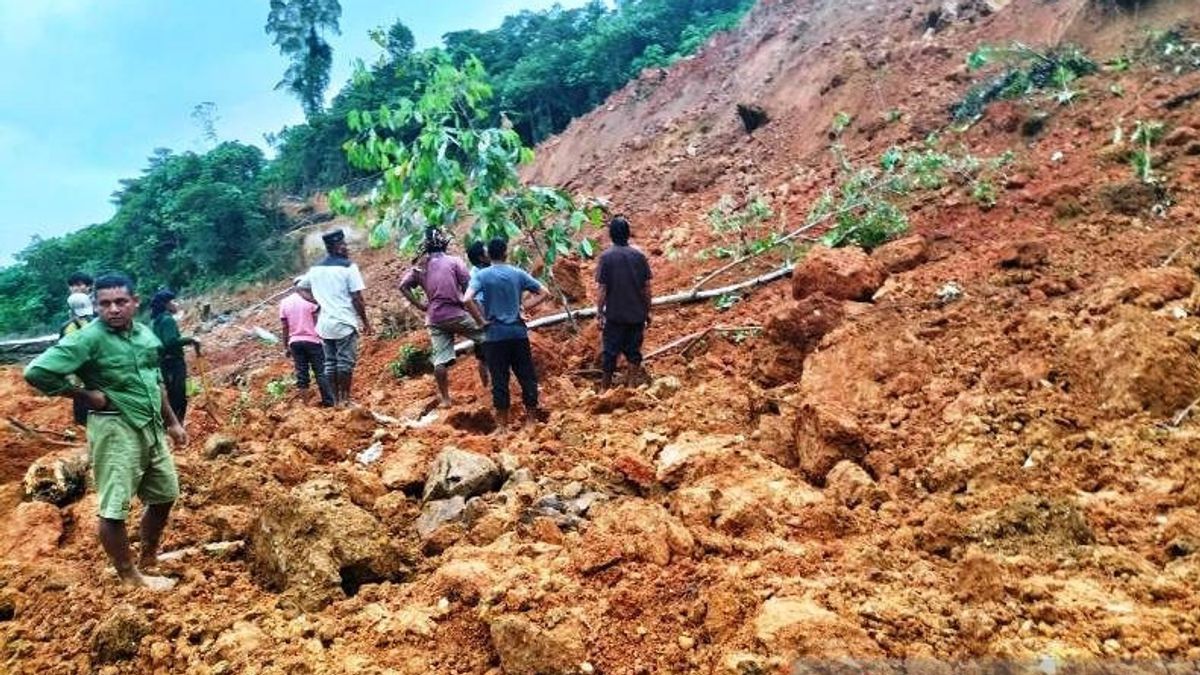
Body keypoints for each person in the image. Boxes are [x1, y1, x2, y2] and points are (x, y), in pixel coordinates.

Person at [24, 273, 187, 591]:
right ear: (96, 306)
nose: (114, 309)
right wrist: (86, 396)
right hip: (114, 427)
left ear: (135, 302)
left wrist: (173, 422)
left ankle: (149, 558)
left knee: (165, 494)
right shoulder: (87, 339)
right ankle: (129, 577)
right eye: (105, 303)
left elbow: (155, 382)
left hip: (150, 426)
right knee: (114, 507)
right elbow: (37, 371)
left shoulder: (145, 335)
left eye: (121, 302)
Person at [464, 237, 550, 432]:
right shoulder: (517, 273)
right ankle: (530, 421)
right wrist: (522, 307)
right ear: (505, 253)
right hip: (518, 333)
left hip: (494, 336)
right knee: (526, 376)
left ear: (488, 255)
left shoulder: (482, 276)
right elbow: (545, 292)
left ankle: (502, 425)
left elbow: (467, 299)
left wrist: (481, 321)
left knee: (499, 379)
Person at [399, 229, 488, 408]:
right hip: (456, 313)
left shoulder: (420, 266)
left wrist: (420, 305)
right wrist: (481, 319)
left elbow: (403, 286)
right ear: (444, 243)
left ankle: (446, 399)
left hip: (434, 318)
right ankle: (492, 385)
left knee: (440, 360)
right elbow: (468, 290)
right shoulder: (455, 261)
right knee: (489, 339)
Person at [297, 229, 371, 406]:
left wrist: (318, 302)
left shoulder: (315, 269)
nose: (346, 248)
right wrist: (366, 322)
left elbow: (300, 287)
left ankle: (336, 400)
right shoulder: (348, 267)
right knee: (345, 363)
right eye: (343, 245)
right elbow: (357, 298)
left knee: (330, 363)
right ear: (336, 247)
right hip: (344, 322)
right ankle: (345, 399)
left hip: (324, 325)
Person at [595, 215, 653, 391]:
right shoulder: (639, 256)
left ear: (611, 235)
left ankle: (605, 388)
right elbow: (647, 289)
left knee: (610, 352)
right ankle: (631, 385)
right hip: (636, 314)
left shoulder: (606, 258)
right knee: (634, 352)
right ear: (628, 234)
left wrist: (599, 312)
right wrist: (648, 311)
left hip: (615, 315)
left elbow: (602, 289)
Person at [280, 277, 334, 406]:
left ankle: (305, 405)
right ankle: (329, 401)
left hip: (295, 342)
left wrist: (285, 346)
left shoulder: (285, 302)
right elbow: (317, 320)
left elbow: (284, 326)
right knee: (321, 372)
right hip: (313, 341)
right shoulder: (310, 300)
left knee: (301, 373)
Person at [149, 290, 200, 423]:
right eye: (173, 301)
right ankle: (178, 425)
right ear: (166, 305)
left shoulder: (156, 321)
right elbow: (170, 342)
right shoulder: (167, 320)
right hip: (174, 362)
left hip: (163, 363)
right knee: (179, 396)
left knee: (170, 395)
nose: (176, 304)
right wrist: (191, 339)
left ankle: (170, 424)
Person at [61, 272, 95, 337]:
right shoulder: (73, 303)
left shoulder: (97, 302)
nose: (75, 288)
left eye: (78, 285)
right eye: (72, 286)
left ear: (89, 286)